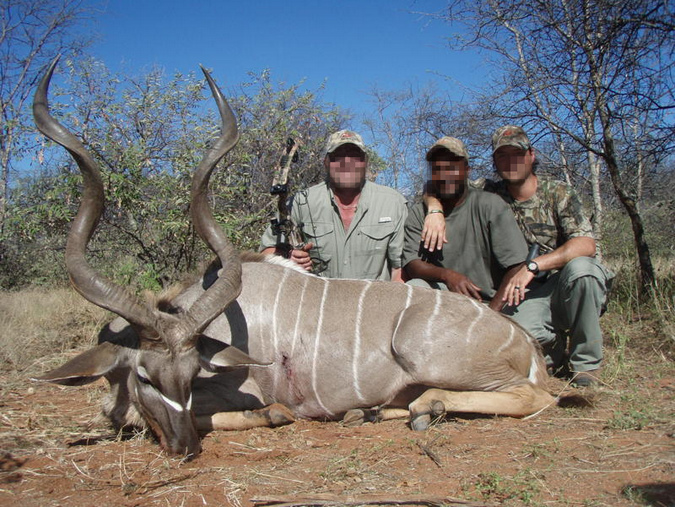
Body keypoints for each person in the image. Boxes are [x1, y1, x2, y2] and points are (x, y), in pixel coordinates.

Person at [423, 126, 613, 386]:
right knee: (514, 344)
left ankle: (586, 368)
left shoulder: (557, 191)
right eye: (502, 155)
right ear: (495, 161)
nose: (510, 161)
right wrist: (434, 209)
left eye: (517, 153)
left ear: (531, 155)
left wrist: (533, 266)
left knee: (584, 270)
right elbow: (442, 183)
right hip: (520, 293)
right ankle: (553, 349)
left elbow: (585, 244)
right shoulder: (489, 191)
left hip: (558, 285)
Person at [260, 130, 408, 281]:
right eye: (339, 157)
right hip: (318, 299)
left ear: (366, 162)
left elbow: (399, 270)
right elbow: (266, 253)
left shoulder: (393, 203)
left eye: (354, 156)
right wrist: (286, 260)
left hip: (373, 300)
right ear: (326, 162)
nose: (347, 162)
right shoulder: (300, 202)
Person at [403, 136, 528, 308]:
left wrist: (493, 313)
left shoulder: (490, 204)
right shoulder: (419, 212)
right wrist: (448, 275)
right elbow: (412, 264)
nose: (445, 175)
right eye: (438, 169)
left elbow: (516, 265)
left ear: (467, 170)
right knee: (415, 287)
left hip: (492, 302)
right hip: (446, 300)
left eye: (452, 168)